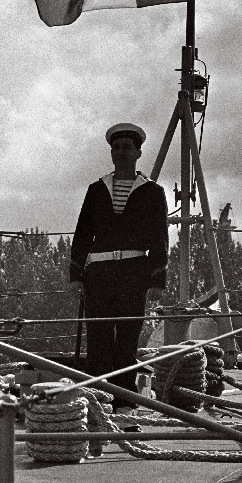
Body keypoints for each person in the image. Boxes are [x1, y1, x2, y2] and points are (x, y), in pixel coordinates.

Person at [69, 123, 168, 415]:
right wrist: (76, 275)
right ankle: (98, 402)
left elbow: (160, 237)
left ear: (138, 153)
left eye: (127, 147)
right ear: (111, 153)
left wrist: (157, 279)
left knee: (126, 340)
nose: (121, 152)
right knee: (98, 339)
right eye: (117, 148)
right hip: (99, 273)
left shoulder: (152, 192)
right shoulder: (96, 190)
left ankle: (124, 403)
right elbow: (82, 234)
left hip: (134, 273)